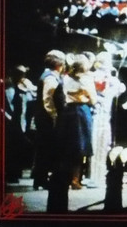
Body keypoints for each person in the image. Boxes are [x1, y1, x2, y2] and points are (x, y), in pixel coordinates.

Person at [47, 55, 97, 212]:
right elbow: (93, 100)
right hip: (81, 111)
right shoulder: (87, 80)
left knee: (68, 147)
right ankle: (75, 179)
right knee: (80, 148)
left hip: (67, 112)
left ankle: (66, 177)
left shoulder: (65, 78)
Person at [89, 52, 126, 185]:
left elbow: (119, 90)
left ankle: (101, 174)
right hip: (96, 115)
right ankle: (94, 177)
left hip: (106, 116)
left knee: (104, 145)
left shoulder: (112, 79)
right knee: (96, 145)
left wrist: (117, 85)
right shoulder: (94, 76)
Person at [32, 50, 65, 190]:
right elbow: (47, 99)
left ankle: (39, 178)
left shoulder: (48, 75)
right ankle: (41, 179)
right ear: (58, 63)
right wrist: (54, 116)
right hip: (47, 118)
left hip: (44, 117)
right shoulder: (50, 77)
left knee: (43, 149)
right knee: (46, 149)